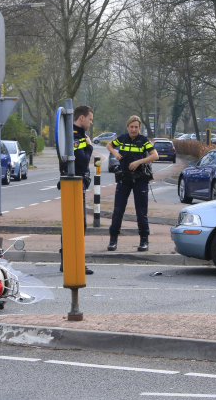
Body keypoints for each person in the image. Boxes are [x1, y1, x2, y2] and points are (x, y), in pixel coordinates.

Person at [106, 115, 159, 252]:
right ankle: (113, 240)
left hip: (140, 179)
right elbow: (109, 145)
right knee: (118, 210)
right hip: (124, 178)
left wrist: (139, 162)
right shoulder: (122, 139)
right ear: (127, 127)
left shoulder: (143, 140)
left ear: (139, 128)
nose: (134, 129)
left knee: (141, 212)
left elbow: (155, 155)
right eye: (131, 127)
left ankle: (144, 241)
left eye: (136, 127)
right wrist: (115, 153)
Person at [60, 105, 94, 275]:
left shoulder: (73, 133)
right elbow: (81, 161)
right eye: (90, 119)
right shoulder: (75, 136)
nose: (91, 123)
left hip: (74, 183)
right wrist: (89, 147)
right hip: (74, 183)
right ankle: (75, 261)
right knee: (79, 224)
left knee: (71, 222)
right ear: (82, 118)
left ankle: (66, 260)